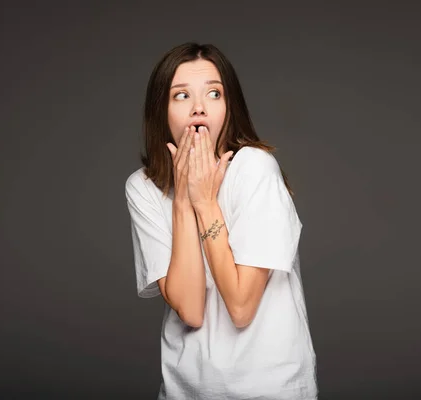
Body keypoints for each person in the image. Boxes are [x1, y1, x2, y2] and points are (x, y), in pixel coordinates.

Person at [125, 42, 318, 400]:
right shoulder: (143, 187)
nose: (199, 107)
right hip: (186, 389)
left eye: (214, 93)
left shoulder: (255, 169)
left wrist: (205, 201)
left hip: (269, 389)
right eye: (181, 96)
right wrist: (183, 200)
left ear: (229, 107)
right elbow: (191, 310)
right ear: (161, 110)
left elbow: (242, 307)